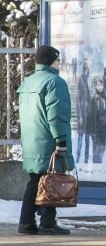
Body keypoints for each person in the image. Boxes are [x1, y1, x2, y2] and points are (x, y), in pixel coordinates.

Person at [16, 45, 74, 235]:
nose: (59, 63)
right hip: (49, 139)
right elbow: (56, 116)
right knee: (51, 180)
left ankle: (26, 223)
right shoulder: (55, 82)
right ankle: (47, 223)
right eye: (58, 60)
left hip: (32, 139)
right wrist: (61, 141)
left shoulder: (29, 82)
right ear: (51, 61)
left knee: (36, 181)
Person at [87, 77, 106, 164]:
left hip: (104, 128)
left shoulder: (105, 98)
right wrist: (92, 130)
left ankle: (99, 163)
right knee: (96, 151)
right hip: (96, 129)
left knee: (102, 149)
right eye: (98, 85)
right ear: (96, 86)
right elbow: (91, 115)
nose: (100, 87)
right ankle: (96, 166)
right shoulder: (94, 99)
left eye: (101, 85)